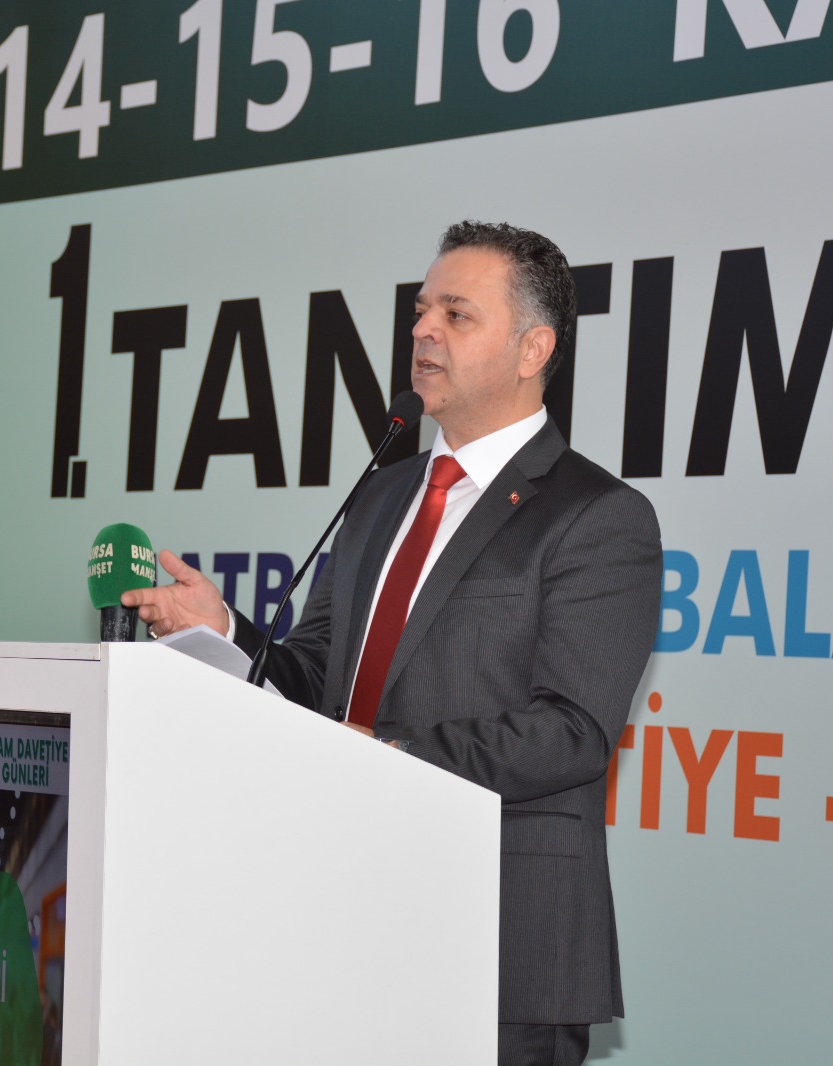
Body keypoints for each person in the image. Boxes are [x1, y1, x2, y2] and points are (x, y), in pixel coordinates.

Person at [123, 220, 662, 1066]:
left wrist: (382, 756)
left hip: (498, 939)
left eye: (456, 314)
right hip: (341, 910)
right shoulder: (383, 494)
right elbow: (316, 678)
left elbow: (570, 733)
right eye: (420, 311)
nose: (423, 331)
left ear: (534, 349)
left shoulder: (597, 517)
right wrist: (223, 631)